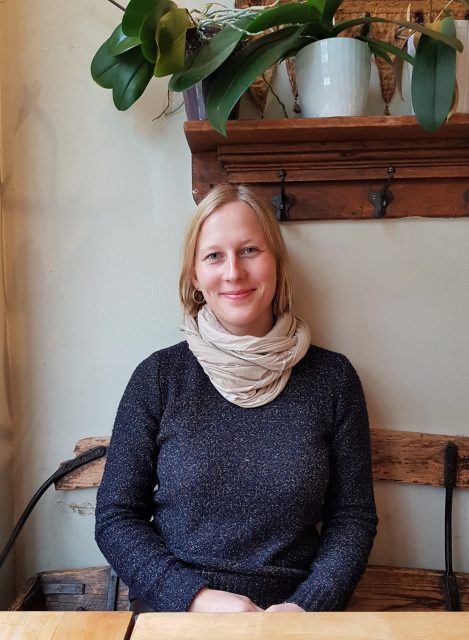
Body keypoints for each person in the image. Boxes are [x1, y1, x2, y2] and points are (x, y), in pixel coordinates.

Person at [95, 184, 377, 614]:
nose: (233, 272)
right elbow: (116, 516)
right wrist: (195, 599)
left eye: (249, 250)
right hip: (177, 616)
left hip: (292, 621)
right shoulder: (158, 377)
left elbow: (352, 516)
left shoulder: (333, 380)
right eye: (214, 256)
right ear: (195, 275)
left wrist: (306, 608)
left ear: (276, 262)